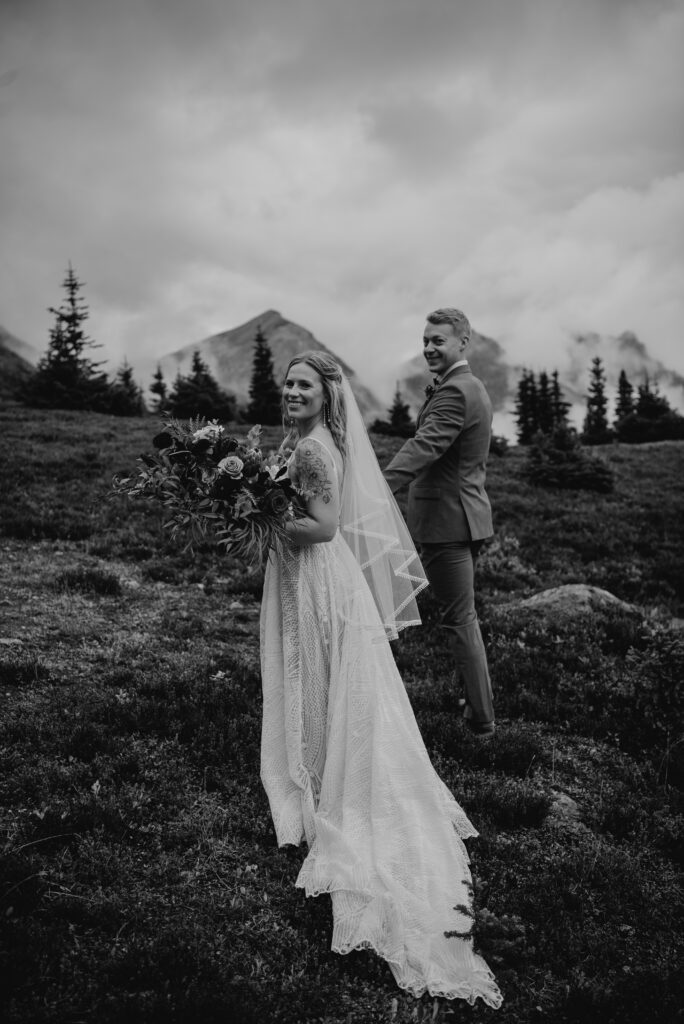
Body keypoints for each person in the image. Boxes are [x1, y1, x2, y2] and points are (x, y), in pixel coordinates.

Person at [260, 350, 502, 1007]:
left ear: (324, 394)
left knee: (322, 675)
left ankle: (322, 778)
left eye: (304, 384)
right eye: (287, 383)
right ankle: (319, 766)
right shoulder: (311, 442)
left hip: (318, 576)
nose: (292, 391)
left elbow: (324, 527)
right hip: (322, 577)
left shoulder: (312, 449)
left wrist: (262, 516)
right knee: (331, 680)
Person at [384, 309, 496, 738]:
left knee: (459, 621)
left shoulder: (454, 392)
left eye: (439, 341)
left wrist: (378, 490)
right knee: (462, 617)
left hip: (448, 524)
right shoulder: (471, 386)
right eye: (426, 340)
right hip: (467, 516)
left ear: (463, 342)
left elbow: (424, 447)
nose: (429, 347)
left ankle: (482, 722)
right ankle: (473, 702)